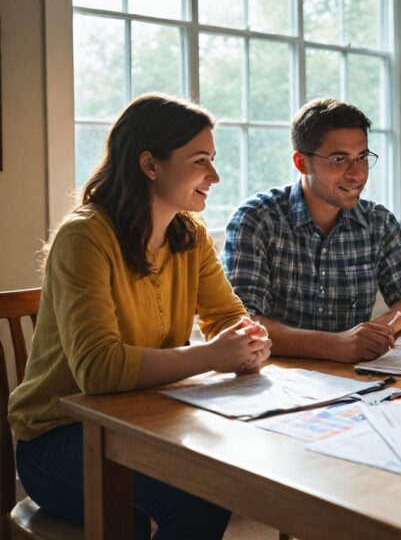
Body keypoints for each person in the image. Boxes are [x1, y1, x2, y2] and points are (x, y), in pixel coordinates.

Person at [9, 94, 272, 540]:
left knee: (218, 483)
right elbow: (99, 371)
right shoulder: (84, 237)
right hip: (57, 437)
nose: (215, 176)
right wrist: (213, 355)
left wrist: (249, 340)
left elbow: (229, 317)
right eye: (201, 161)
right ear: (150, 165)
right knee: (180, 502)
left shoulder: (190, 235)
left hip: (144, 420)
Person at [223, 97, 401, 362]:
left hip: (354, 379)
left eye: (363, 157)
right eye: (339, 159)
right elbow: (242, 322)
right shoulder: (256, 219)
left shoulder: (378, 222)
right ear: (301, 163)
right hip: (275, 379)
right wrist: (335, 345)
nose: (357, 174)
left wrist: (375, 333)